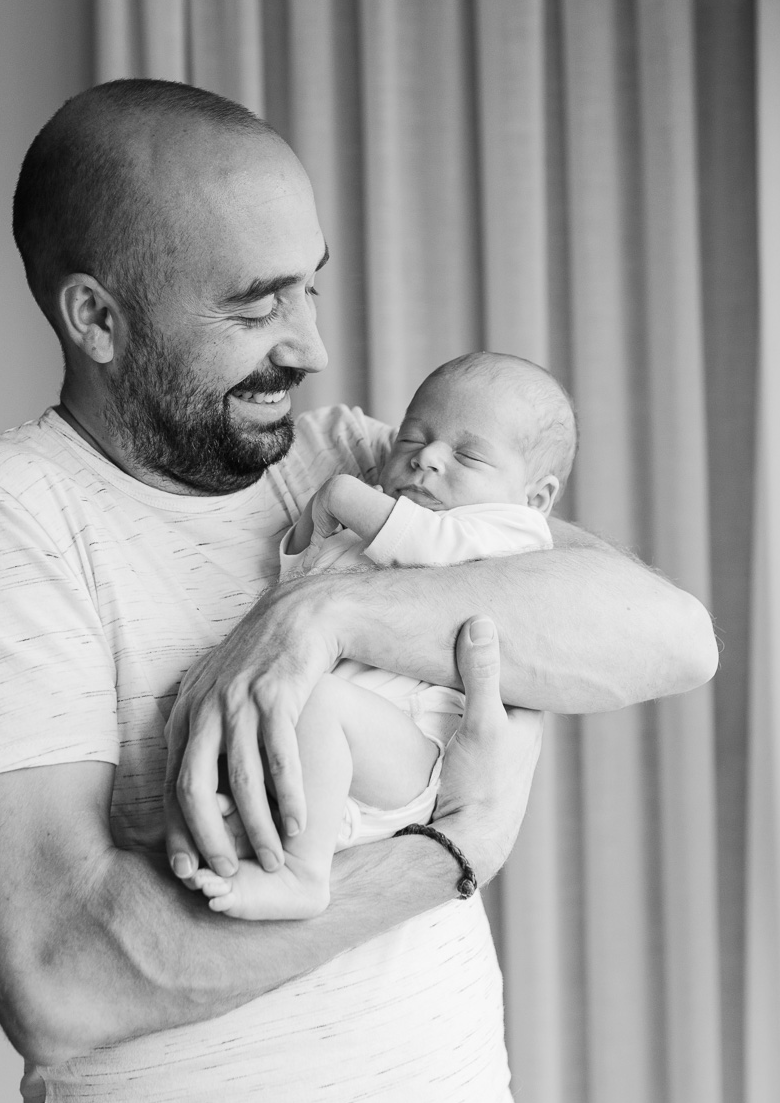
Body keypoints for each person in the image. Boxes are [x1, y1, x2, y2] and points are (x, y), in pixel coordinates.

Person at [0, 79, 718, 1103]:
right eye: (256, 306)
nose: (311, 347)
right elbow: (61, 976)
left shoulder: (349, 459)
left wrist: (326, 611)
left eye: (310, 288)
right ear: (98, 319)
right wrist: (446, 854)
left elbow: (667, 636)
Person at [185, 350, 576, 922]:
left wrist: (339, 496)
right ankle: (244, 834)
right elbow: (296, 586)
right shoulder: (384, 518)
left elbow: (431, 546)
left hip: (411, 753)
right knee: (235, 695)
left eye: (469, 455)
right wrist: (311, 530)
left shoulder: (509, 531)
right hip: (342, 756)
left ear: (535, 497)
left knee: (318, 702)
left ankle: (304, 878)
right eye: (411, 439)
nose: (427, 458)